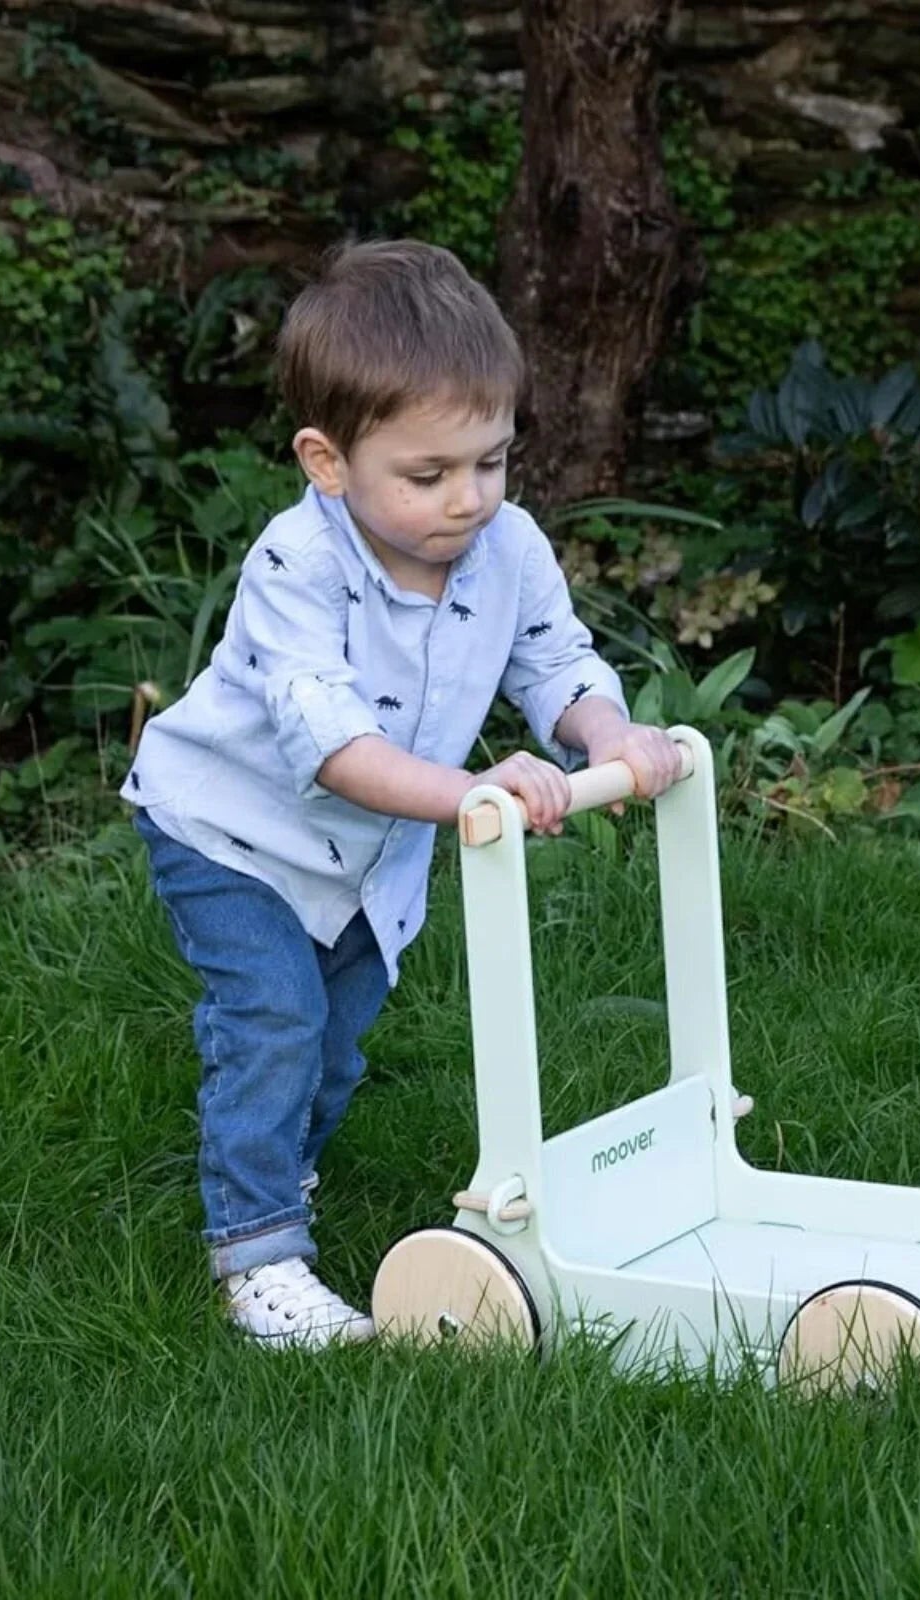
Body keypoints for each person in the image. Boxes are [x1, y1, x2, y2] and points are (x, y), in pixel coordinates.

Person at [121, 239, 681, 1348]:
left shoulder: (508, 547)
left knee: (333, 1047)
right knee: (275, 1020)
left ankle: (279, 1162)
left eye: (491, 462)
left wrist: (607, 731)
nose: (467, 499)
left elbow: (552, 661)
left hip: (368, 860)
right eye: (427, 477)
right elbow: (337, 748)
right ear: (328, 461)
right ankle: (257, 1255)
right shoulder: (298, 566)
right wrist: (476, 787)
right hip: (230, 833)